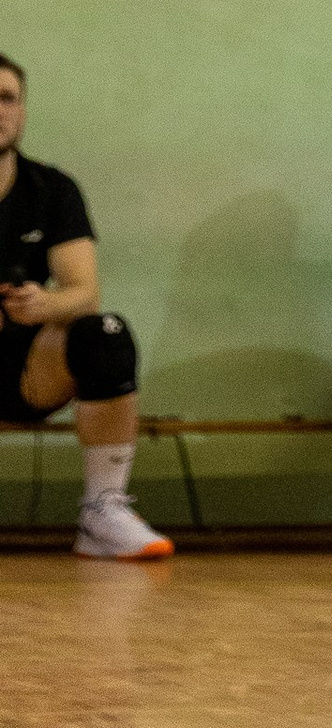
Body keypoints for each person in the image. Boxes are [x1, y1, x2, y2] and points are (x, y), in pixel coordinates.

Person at [0, 49, 171, 560]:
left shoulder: (52, 189)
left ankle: (102, 509)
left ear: (23, 110)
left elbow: (83, 292)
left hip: (24, 367)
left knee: (104, 331)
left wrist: (41, 304)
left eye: (6, 98)